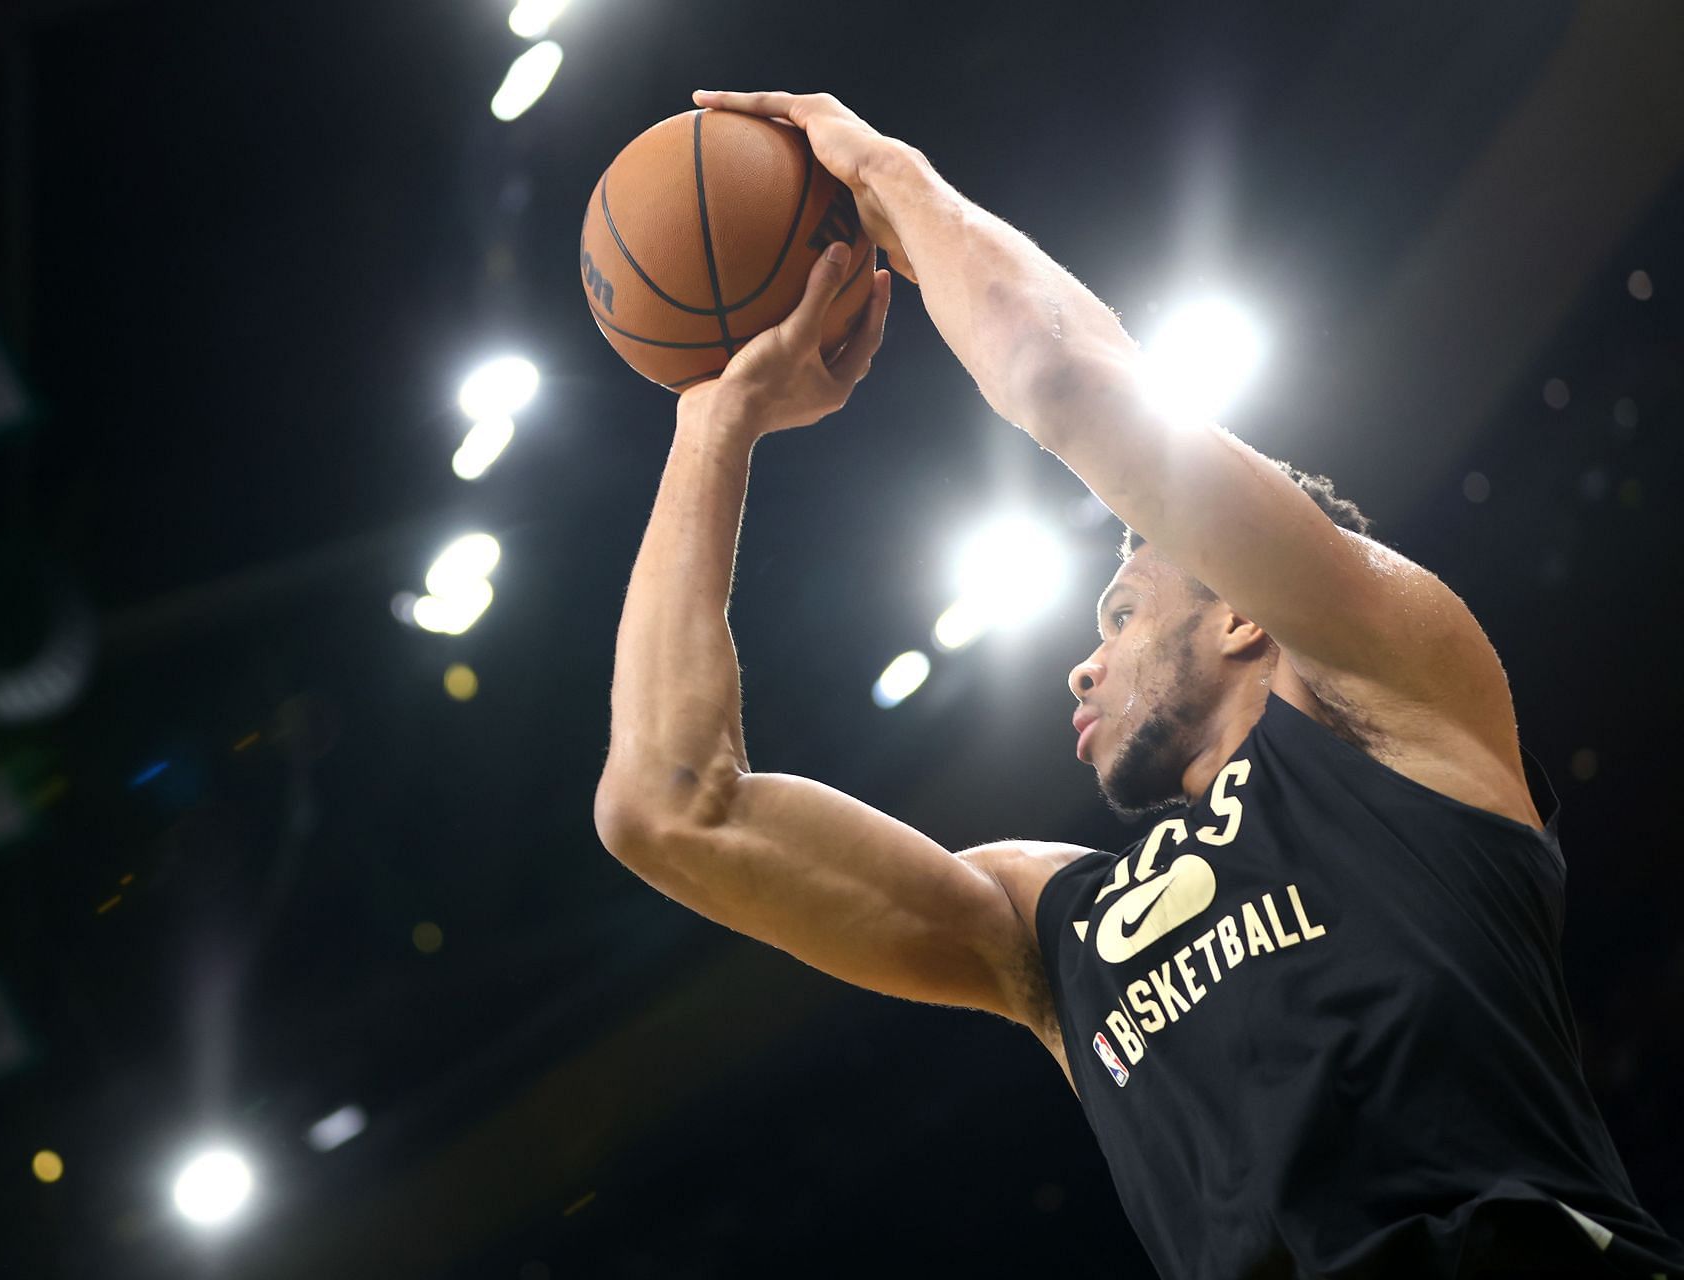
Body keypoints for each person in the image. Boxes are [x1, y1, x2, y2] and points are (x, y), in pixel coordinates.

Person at [591, 89, 1684, 1279]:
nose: (1084, 655)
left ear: (1242, 609)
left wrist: (885, 177)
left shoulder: (1394, 692)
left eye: (1121, 608)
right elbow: (668, 805)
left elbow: (1063, 378)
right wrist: (715, 425)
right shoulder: (1047, 930)